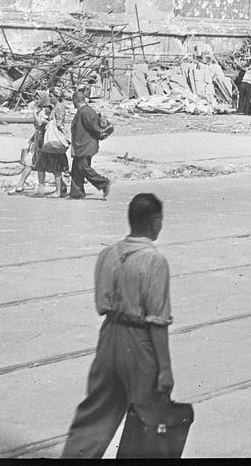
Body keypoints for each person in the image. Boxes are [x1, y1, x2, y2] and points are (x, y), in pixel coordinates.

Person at [62, 193, 174, 458]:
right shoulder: (155, 261)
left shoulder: (107, 254)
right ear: (155, 222)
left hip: (109, 336)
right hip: (140, 343)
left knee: (95, 415)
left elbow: (101, 302)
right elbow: (157, 322)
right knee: (148, 419)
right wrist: (165, 370)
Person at [69, 89, 111, 200]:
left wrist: (101, 134)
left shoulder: (85, 112)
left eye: (73, 100)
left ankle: (103, 183)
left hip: (85, 144)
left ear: (76, 100)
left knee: (83, 168)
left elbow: (93, 128)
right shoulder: (83, 111)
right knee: (76, 169)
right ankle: (76, 193)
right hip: (82, 145)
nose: (72, 103)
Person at [7, 95, 49, 195]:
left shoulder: (46, 110)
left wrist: (34, 113)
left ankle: (48, 187)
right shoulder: (39, 110)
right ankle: (20, 185)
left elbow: (40, 123)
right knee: (29, 162)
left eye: (38, 99)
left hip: (43, 141)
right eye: (35, 98)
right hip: (36, 140)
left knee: (42, 164)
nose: (35, 101)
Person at [35, 95, 70, 198]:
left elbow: (59, 123)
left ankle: (58, 191)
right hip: (51, 141)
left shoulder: (59, 107)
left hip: (53, 140)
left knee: (55, 167)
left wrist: (46, 121)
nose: (50, 98)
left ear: (57, 96)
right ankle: (59, 188)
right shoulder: (55, 107)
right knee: (43, 165)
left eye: (51, 96)